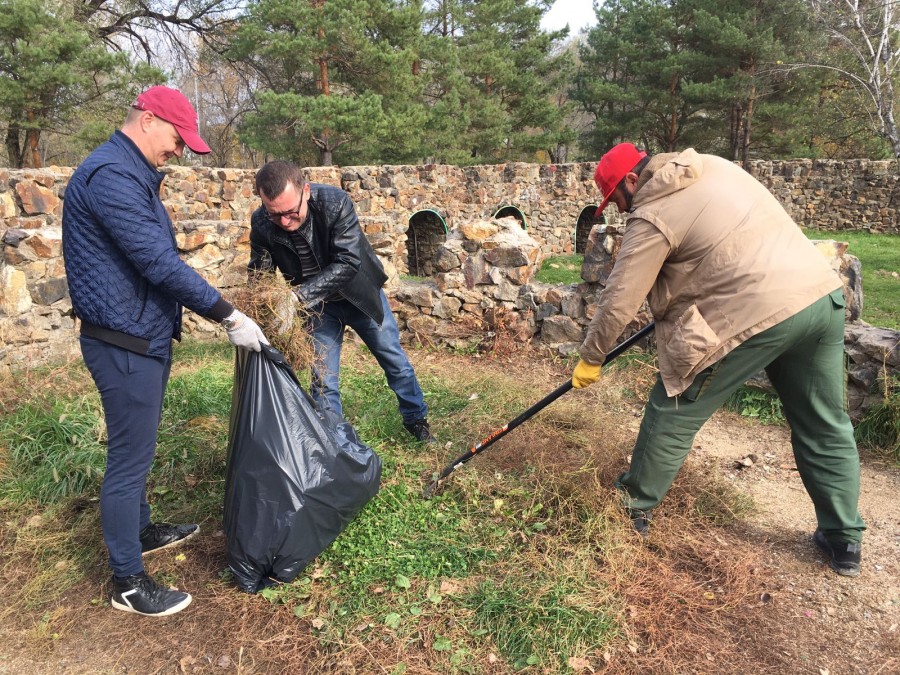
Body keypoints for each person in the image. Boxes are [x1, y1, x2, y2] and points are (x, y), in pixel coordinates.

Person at [571, 143, 865, 576]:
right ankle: (844, 540)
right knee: (824, 422)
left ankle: (629, 510)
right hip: (819, 297)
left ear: (633, 181)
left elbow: (619, 298)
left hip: (756, 312)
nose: (618, 210)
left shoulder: (652, 211)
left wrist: (591, 357)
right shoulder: (714, 167)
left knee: (673, 404)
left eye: (616, 199)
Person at [62, 85, 269, 616]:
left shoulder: (131, 172)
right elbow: (157, 263)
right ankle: (127, 583)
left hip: (140, 335)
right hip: (122, 341)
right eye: (179, 140)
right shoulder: (111, 176)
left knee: (140, 447)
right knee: (128, 461)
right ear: (149, 120)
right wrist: (229, 315)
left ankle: (141, 528)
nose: (180, 151)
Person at [248, 160, 436, 443]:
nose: (284, 223)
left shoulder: (335, 203)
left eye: (290, 212)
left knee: (394, 360)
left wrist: (296, 297)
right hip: (319, 308)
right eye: (275, 215)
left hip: (359, 295)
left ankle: (416, 421)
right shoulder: (262, 221)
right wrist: (261, 307)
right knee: (322, 379)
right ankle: (334, 442)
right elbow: (259, 272)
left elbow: (348, 263)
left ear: (306, 192)